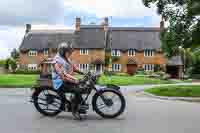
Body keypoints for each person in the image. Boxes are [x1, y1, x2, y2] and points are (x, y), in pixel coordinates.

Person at [52, 42, 87, 118]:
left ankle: (78, 102)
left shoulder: (66, 58)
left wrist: (84, 73)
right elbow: (63, 76)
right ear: (63, 52)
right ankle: (74, 111)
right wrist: (75, 80)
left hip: (67, 79)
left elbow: (74, 68)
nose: (70, 53)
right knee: (78, 90)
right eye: (68, 52)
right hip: (60, 83)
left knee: (81, 86)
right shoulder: (57, 61)